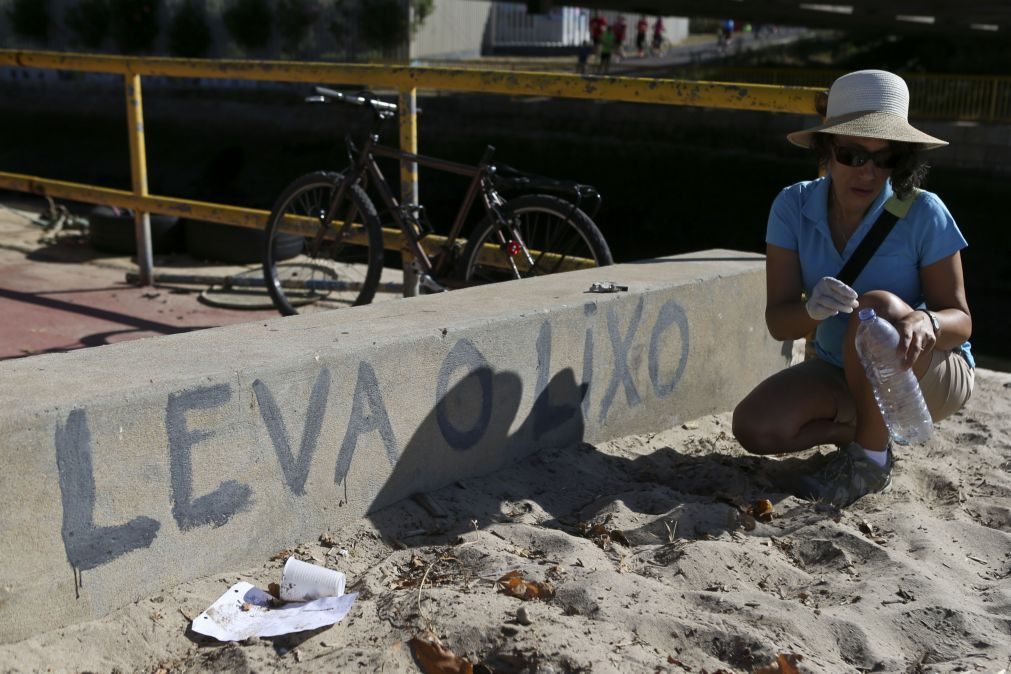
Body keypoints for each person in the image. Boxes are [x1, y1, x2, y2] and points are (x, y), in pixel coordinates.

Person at [732, 70, 974, 508]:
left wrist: (927, 319)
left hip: (925, 372)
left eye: (886, 159)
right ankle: (869, 428)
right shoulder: (792, 205)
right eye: (852, 154)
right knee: (756, 427)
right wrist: (813, 310)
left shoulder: (924, 211)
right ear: (827, 150)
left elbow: (962, 322)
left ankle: (869, 462)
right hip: (839, 367)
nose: (869, 172)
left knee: (876, 307)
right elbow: (778, 323)